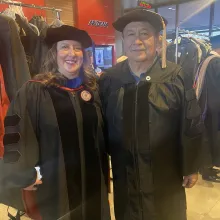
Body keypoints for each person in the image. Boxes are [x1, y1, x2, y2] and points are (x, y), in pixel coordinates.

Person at [99, 9, 203, 220]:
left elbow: (191, 123)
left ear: (157, 40)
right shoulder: (110, 79)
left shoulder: (175, 76)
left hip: (165, 172)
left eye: (144, 33)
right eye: (130, 34)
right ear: (124, 40)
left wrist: (191, 166)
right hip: (124, 172)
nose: (137, 40)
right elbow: (99, 125)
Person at [0, 25, 110, 220]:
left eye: (77, 48)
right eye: (65, 47)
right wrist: (24, 174)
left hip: (92, 181)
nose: (72, 53)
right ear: (54, 53)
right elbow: (18, 134)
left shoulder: (92, 91)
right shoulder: (34, 91)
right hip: (53, 184)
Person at [197, 35, 220, 182]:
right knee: (210, 138)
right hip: (213, 107)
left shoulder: (206, 59)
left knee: (207, 138)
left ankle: (207, 167)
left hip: (206, 105)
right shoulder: (216, 62)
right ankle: (207, 170)